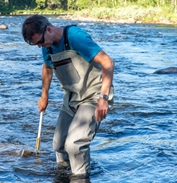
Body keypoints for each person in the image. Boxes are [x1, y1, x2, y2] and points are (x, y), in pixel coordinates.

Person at [21, 15, 114, 180]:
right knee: (59, 144)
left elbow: (107, 62)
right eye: (37, 44)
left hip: (93, 95)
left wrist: (104, 98)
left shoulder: (75, 37)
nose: (40, 47)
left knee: (75, 144)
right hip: (72, 97)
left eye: (40, 42)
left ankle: (80, 177)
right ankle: (63, 176)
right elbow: (47, 68)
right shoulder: (47, 46)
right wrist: (44, 95)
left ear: (48, 29)